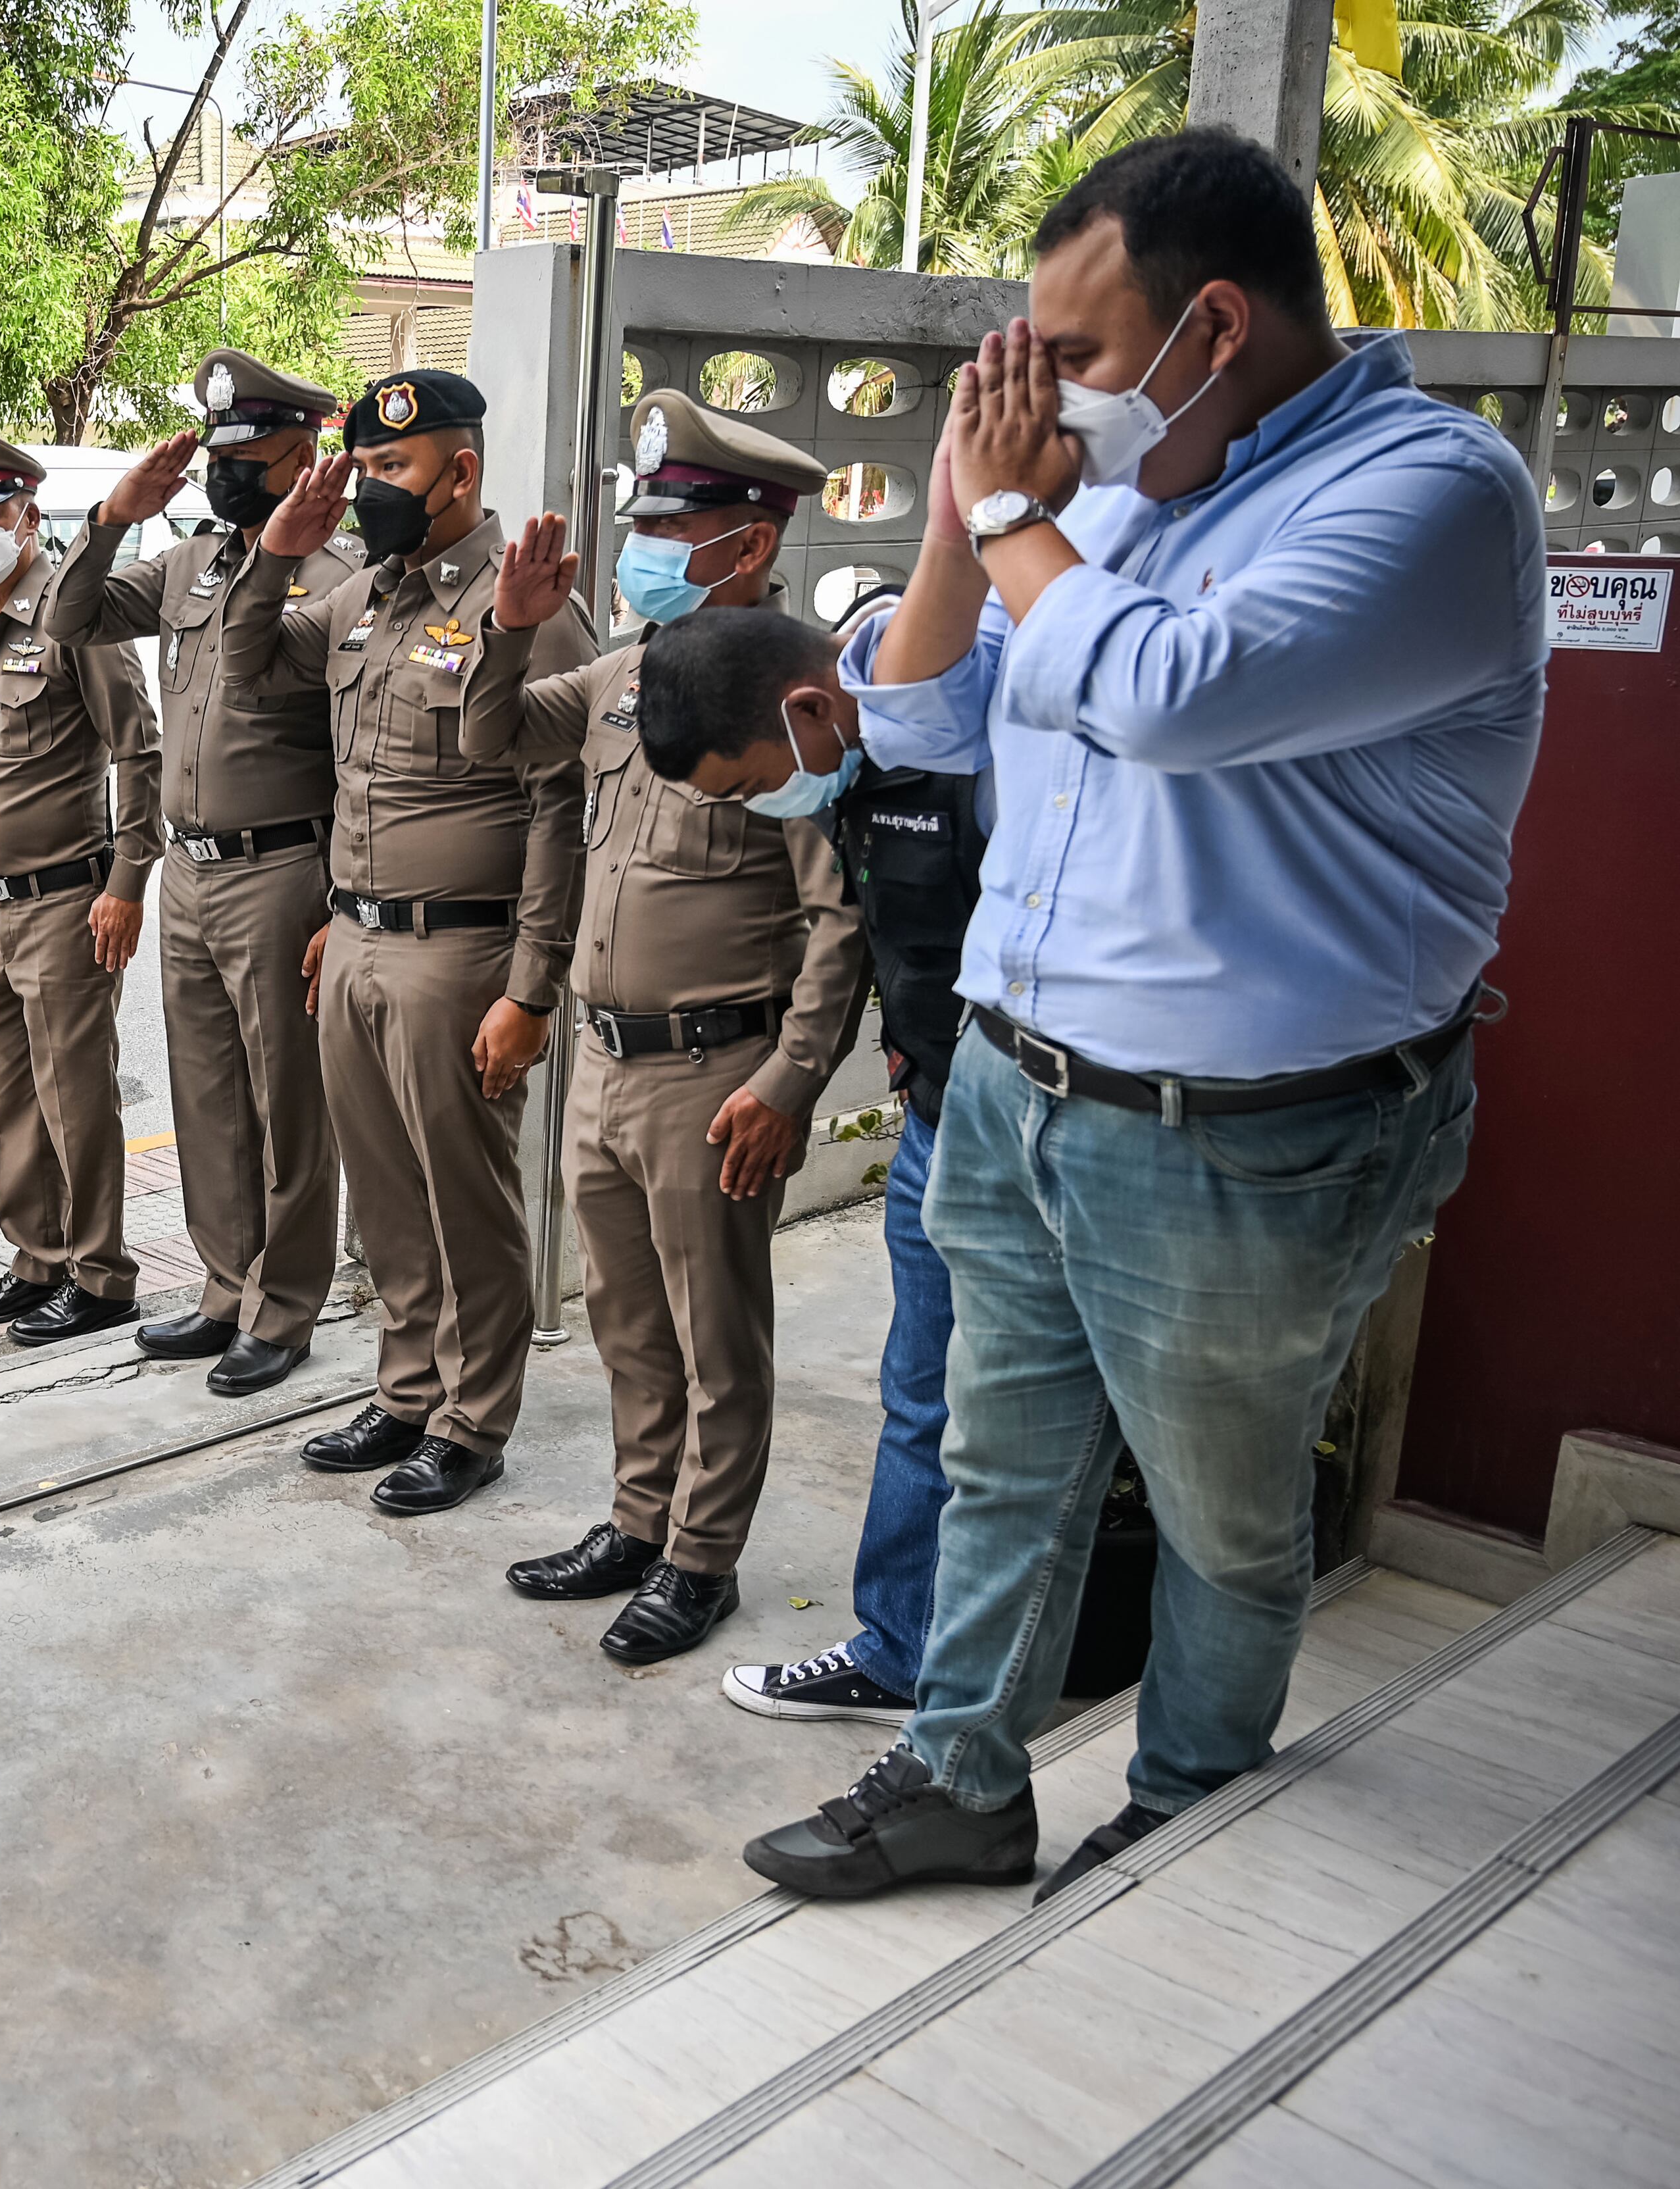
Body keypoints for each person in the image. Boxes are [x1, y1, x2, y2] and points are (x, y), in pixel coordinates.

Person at [743, 131, 1539, 1900]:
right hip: (1022, 1087)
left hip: (1242, 1138)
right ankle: (963, 1771)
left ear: (1219, 326)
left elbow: (1172, 696)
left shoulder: (1427, 494)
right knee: (998, 1462)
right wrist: (965, 511)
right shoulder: (1105, 500)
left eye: (1077, 358)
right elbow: (928, 728)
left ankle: (1187, 1804)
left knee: (1222, 1506)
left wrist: (1026, 514)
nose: (1049, 397)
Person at [463, 392, 870, 1665]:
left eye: (669, 526)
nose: (642, 545)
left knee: (716, 1334)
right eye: (639, 521)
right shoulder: (622, 677)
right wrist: (507, 635)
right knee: (628, 1322)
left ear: (747, 547)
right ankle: (641, 1520)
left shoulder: (783, 701)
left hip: (715, 1071)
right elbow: (493, 745)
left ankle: (705, 1557)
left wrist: (794, 1079)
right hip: (605, 1059)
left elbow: (840, 919)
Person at [217, 369, 593, 1515]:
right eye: (365, 468)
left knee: (464, 1197)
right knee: (382, 1192)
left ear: (461, 473)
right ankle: (409, 1384)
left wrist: (531, 988)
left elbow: (561, 809)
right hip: (359, 941)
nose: (372, 488)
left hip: (462, 956)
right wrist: (278, 552)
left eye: (393, 470)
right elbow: (246, 668)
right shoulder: (369, 597)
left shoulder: (525, 605)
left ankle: (474, 1420)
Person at [631, 604, 991, 1726]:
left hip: (1047, 1124)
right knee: (922, 1397)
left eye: (745, 788)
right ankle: (899, 1652)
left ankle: (1009, 1681)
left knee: (1036, 1420)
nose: (748, 810)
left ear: (806, 709)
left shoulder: (976, 750)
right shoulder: (844, 776)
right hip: (941, 1113)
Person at [44, 351, 370, 1395]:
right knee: (206, 1098)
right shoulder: (187, 564)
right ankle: (227, 1286)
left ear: (303, 455)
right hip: (186, 869)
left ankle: (286, 1305)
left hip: (282, 868)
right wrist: (112, 515)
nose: (227, 474)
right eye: (218, 457)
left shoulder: (342, 576)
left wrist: (336, 896)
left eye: (249, 456)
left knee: (288, 1101)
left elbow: (365, 754)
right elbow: (68, 618)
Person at [0, 427, 164, 1347]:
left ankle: (102, 1273)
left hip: (71, 898)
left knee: (77, 1093)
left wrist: (128, 880)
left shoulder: (76, 614)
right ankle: (37, 1259)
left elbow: (137, 749)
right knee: (14, 1096)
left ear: (28, 515)